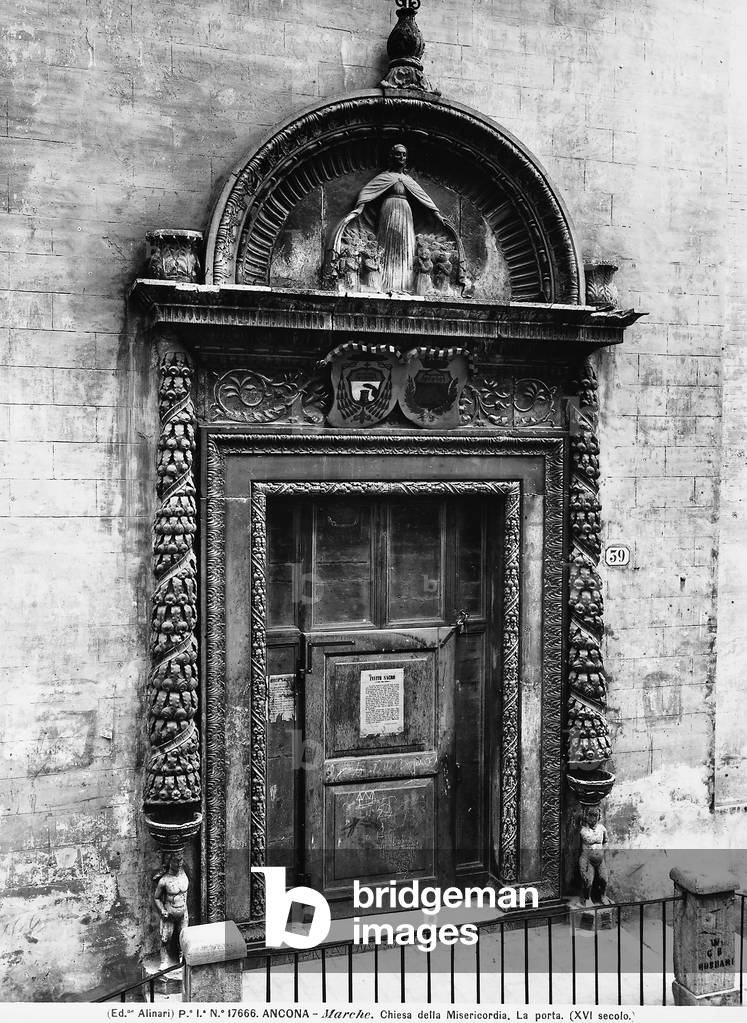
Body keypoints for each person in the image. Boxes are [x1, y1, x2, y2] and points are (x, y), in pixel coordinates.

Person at [330, 143, 452, 293]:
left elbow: (424, 198)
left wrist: (438, 215)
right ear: (391, 156)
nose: (401, 157)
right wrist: (359, 208)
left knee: (404, 245)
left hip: (405, 213)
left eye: (404, 155)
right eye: (398, 154)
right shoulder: (385, 177)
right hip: (389, 211)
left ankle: (405, 285)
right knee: (387, 244)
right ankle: (386, 283)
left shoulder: (408, 180)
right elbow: (367, 191)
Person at [154, 850, 189, 966]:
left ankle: (182, 958)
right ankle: (164, 961)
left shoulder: (185, 873)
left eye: (181, 860)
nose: (179, 863)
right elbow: (157, 898)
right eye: (176, 861)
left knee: (184, 937)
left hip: (183, 912)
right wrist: (162, 910)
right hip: (170, 914)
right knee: (165, 939)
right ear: (169, 861)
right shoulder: (164, 880)